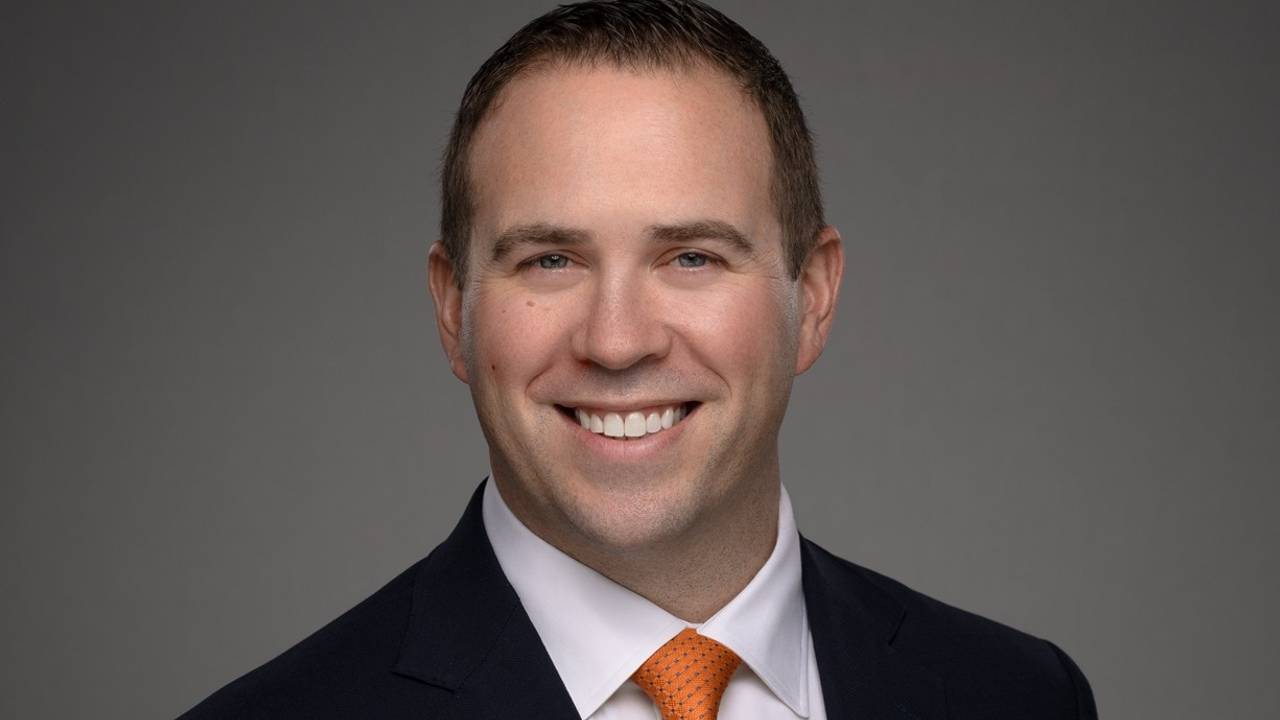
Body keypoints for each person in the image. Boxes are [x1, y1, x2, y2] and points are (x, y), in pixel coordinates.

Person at [180, 1, 1097, 718]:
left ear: (812, 298)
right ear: (454, 310)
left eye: (691, 257)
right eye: (551, 260)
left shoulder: (1020, 697)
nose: (616, 342)